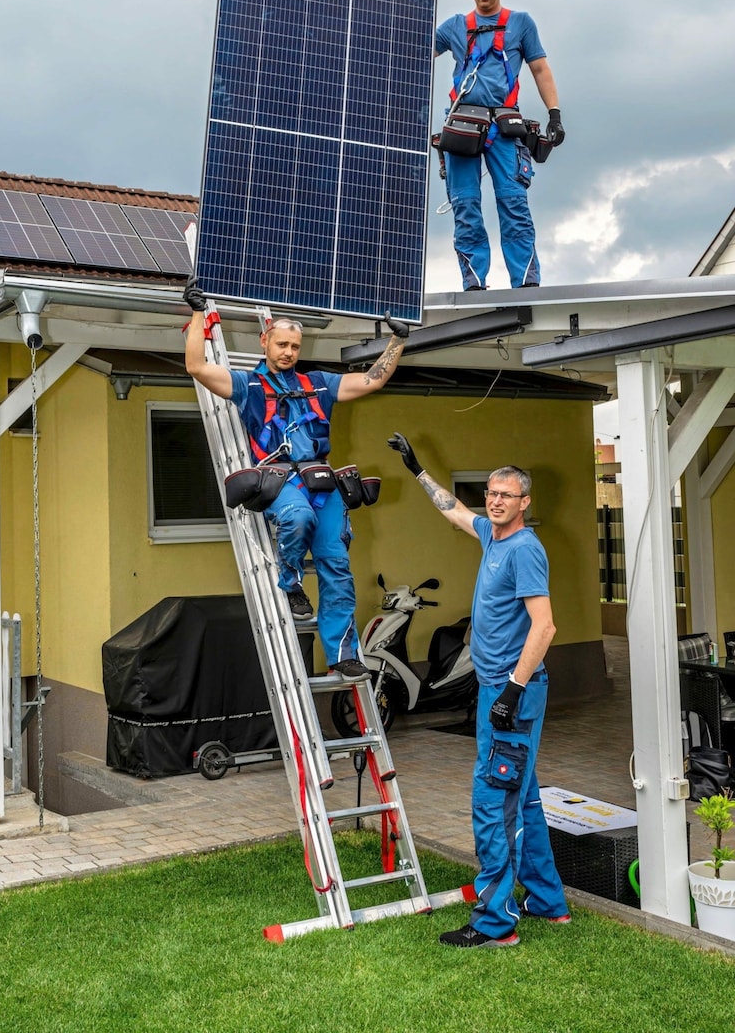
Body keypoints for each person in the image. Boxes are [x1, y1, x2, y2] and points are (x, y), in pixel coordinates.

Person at [388, 433, 569, 947]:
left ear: (524, 503)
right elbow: (454, 512)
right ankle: (548, 902)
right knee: (524, 798)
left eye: (505, 495)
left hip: (512, 691)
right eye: (491, 492)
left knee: (493, 802)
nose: (494, 500)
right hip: (503, 689)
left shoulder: (525, 550)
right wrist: (418, 469)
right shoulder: (493, 535)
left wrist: (510, 693)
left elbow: (545, 626)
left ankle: (495, 923)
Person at [184, 284, 409, 679]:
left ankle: (343, 654)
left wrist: (398, 339)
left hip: (321, 481)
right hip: (280, 479)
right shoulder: (249, 386)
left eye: (294, 346)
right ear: (265, 342)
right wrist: (199, 315)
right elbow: (198, 368)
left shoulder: (319, 383)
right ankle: (290, 583)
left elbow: (372, 380)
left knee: (338, 567)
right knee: (297, 518)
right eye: (282, 344)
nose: (288, 352)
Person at [435, 0, 565, 291]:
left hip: (504, 128)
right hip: (463, 127)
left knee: (513, 203)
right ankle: (474, 284)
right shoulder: (453, 27)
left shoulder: (521, 23)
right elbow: (407, 53)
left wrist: (555, 114)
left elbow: (539, 68)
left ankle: (524, 285)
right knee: (465, 205)